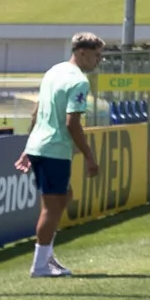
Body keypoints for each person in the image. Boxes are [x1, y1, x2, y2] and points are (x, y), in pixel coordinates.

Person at [14, 32, 103, 277]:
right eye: (97, 55)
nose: (99, 60)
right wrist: (89, 156)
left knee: (63, 197)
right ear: (82, 52)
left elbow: (37, 110)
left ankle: (47, 257)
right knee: (51, 208)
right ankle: (40, 265)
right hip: (54, 149)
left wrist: (29, 147)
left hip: (41, 146)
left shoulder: (54, 71)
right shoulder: (79, 81)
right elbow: (72, 123)